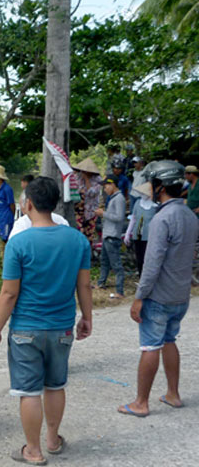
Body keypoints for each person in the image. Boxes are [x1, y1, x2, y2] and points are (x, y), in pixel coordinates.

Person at [0, 177, 93, 465]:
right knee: (55, 385)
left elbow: (9, 294)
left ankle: (33, 451)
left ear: (28, 204)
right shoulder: (78, 240)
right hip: (62, 327)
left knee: (29, 390)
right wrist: (87, 317)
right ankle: (53, 440)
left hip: (25, 329)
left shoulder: (18, 243)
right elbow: (83, 286)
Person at [118, 160, 199, 417]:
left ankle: (141, 402)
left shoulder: (161, 218)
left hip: (159, 296)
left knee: (150, 345)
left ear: (160, 186)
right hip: (180, 295)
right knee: (169, 340)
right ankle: (173, 394)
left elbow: (152, 265)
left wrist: (139, 297)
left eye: (152, 184)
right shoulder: (189, 215)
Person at [95, 175, 126, 299]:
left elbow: (119, 217)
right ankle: (101, 283)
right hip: (107, 234)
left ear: (113, 184)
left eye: (106, 186)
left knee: (116, 265)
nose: (105, 189)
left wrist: (104, 214)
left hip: (113, 235)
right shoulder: (113, 198)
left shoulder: (119, 199)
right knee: (104, 262)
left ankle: (120, 291)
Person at [124, 183, 156, 276]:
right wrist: (127, 233)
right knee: (139, 258)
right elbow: (133, 219)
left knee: (148, 259)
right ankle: (141, 276)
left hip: (148, 237)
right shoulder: (138, 203)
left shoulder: (155, 207)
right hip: (137, 235)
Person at [72, 158, 102, 245]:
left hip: (91, 211)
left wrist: (87, 180)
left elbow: (92, 193)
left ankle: (89, 254)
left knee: (89, 235)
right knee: (79, 233)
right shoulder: (77, 177)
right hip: (79, 210)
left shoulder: (97, 179)